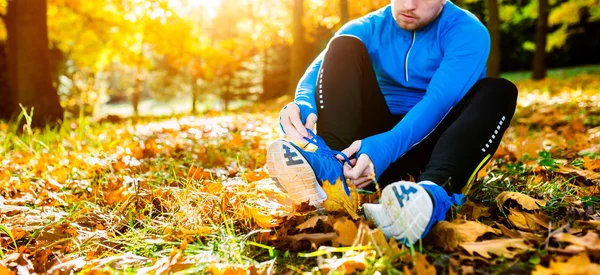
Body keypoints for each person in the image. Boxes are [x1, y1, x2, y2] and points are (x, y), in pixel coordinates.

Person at [266, 0, 518, 245]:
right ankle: (332, 172)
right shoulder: (371, 25)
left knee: (499, 90)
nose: (409, 4)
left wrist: (386, 147)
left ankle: (432, 194)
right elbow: (320, 66)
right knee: (343, 45)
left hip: (433, 150)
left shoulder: (467, 31)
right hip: (363, 150)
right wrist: (300, 102)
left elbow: (440, 101)